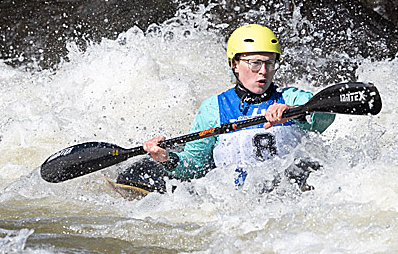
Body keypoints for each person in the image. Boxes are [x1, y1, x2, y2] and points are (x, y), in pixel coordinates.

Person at [115, 24, 334, 194]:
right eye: (255, 63)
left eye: (270, 63)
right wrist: (167, 159)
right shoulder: (214, 109)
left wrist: (296, 112)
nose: (264, 71)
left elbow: (326, 115)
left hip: (292, 198)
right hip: (237, 205)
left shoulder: (291, 97)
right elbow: (194, 168)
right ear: (235, 64)